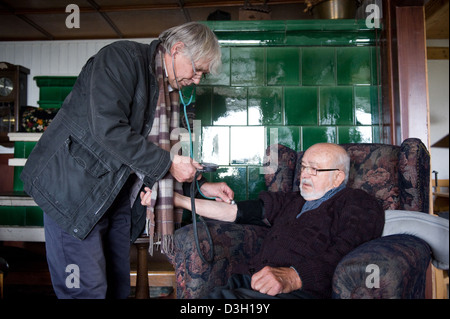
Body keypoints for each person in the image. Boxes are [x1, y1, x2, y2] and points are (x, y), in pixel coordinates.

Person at [20, 22, 234, 299]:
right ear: (177, 49)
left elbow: (168, 151)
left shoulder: (166, 92)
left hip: (117, 198)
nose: (197, 80)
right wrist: (169, 165)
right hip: (73, 194)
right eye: (197, 70)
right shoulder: (120, 59)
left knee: (118, 289)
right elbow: (108, 129)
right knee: (87, 292)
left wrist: (201, 186)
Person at [141, 143, 385, 299]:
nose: (304, 175)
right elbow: (234, 212)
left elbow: (350, 251)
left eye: (314, 169)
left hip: (299, 290)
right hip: (252, 280)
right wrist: (177, 200)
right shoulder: (293, 200)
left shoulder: (357, 203)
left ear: (337, 177)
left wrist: (294, 276)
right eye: (303, 167)